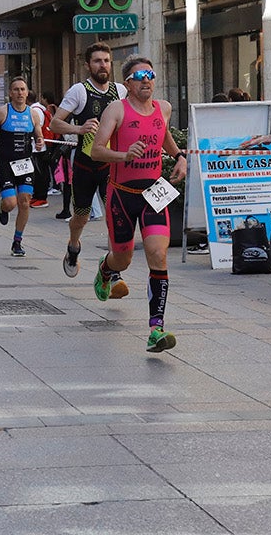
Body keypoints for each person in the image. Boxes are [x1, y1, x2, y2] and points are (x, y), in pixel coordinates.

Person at [89, 56, 188, 353]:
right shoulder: (116, 110)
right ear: (128, 84)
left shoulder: (164, 109)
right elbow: (96, 151)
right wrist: (123, 156)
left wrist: (179, 155)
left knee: (158, 255)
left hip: (153, 194)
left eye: (150, 74)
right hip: (121, 194)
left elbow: (163, 135)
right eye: (139, 76)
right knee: (123, 259)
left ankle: (156, 329)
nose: (147, 80)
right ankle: (106, 271)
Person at [51, 43, 128, 276]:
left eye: (106, 60)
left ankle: (112, 269)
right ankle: (73, 246)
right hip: (85, 165)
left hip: (110, 166)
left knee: (113, 216)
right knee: (81, 217)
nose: (102, 65)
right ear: (88, 65)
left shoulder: (121, 91)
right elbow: (55, 123)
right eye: (97, 61)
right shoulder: (79, 91)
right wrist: (78, 129)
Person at [0, 77, 43, 256]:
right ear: (10, 93)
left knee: (25, 202)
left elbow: (37, 132)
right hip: (6, 164)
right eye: (16, 90)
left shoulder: (33, 113)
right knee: (11, 203)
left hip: (25, 164)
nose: (20, 93)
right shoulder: (2, 112)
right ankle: (3, 207)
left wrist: (39, 141)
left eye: (23, 89)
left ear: (27, 92)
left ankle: (17, 241)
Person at [26, 91, 52, 209]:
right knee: (37, 173)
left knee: (40, 173)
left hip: (39, 148)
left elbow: (37, 127)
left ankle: (41, 198)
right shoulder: (39, 108)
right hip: (39, 146)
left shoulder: (35, 110)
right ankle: (37, 196)